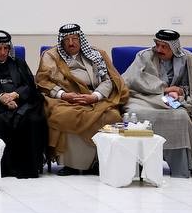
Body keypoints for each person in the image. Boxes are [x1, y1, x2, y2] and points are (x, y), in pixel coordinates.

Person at [35, 23, 128, 175]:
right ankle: (71, 164)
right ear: (61, 41)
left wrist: (95, 96)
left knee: (112, 116)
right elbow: (43, 82)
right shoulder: (51, 56)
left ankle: (99, 162)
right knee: (63, 115)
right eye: (67, 40)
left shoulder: (96, 54)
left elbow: (109, 80)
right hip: (65, 99)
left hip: (94, 98)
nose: (71, 43)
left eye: (74, 39)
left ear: (81, 39)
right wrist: (63, 95)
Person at [121, 29, 192, 178]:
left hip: (170, 99)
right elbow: (133, 80)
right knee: (135, 113)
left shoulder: (186, 58)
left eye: (164, 46)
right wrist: (164, 88)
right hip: (142, 97)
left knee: (181, 115)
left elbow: (188, 87)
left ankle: (180, 167)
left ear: (174, 47)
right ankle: (135, 165)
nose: (159, 49)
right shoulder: (144, 56)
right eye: (157, 45)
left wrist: (178, 92)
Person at [0, 30, 47, 179]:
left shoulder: (18, 63)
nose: (3, 52)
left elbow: (29, 85)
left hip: (21, 104)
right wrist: (1, 96)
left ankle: (28, 168)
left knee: (32, 120)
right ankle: (3, 168)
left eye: (6, 48)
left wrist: (15, 95)